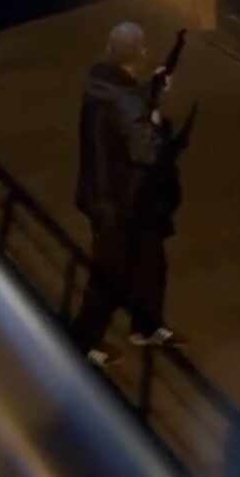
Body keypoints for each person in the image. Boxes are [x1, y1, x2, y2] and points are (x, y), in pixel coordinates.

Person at [73, 21, 186, 367]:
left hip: (125, 199)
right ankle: (82, 342)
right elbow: (148, 150)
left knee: (151, 262)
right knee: (110, 276)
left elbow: (127, 109)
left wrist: (152, 89)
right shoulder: (126, 101)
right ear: (139, 54)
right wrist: (156, 123)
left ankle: (147, 326)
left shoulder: (103, 84)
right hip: (119, 204)